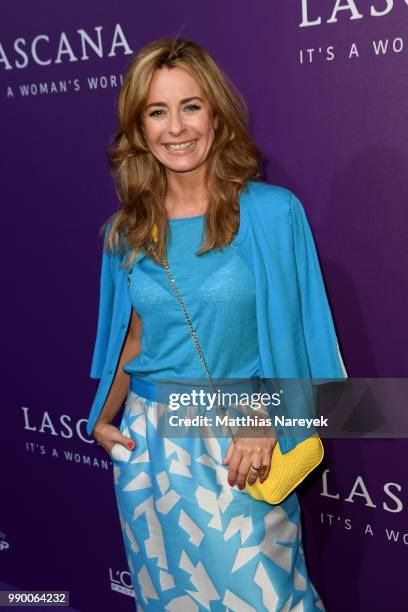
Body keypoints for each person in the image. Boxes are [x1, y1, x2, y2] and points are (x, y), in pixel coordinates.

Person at [87, 37, 347, 611]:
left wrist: (268, 416)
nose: (176, 127)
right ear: (139, 128)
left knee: (267, 598)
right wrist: (102, 421)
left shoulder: (272, 212)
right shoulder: (125, 230)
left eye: (191, 106)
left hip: (240, 440)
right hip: (150, 446)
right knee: (169, 599)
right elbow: (132, 338)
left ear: (217, 114)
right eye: (157, 111)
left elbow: (305, 340)